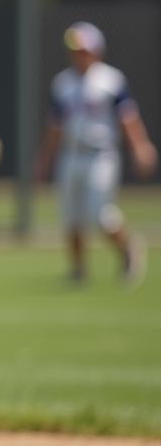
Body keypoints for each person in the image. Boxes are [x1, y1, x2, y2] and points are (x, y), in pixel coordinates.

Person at [35, 21, 157, 285]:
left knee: (99, 214)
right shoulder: (63, 83)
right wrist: (45, 159)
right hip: (71, 154)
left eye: (84, 50)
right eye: (75, 50)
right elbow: (55, 127)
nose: (79, 55)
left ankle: (128, 248)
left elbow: (128, 118)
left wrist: (141, 147)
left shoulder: (110, 80)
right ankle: (78, 271)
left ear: (97, 50)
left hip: (101, 154)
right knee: (71, 217)